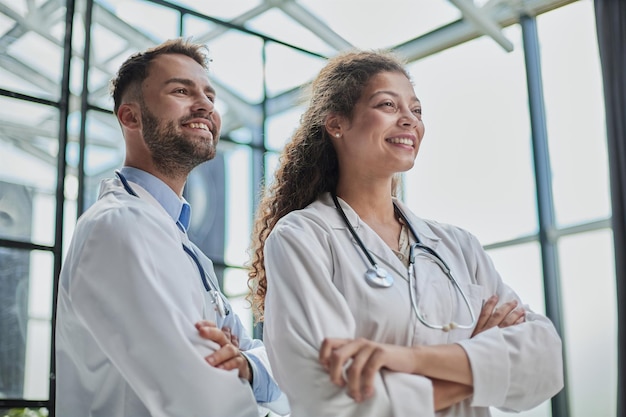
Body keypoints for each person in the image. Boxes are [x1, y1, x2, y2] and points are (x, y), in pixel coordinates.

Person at [247, 49, 564, 417]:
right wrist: (482, 365)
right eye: (387, 105)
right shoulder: (302, 237)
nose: (409, 120)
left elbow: (545, 360)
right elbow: (329, 400)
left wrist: (401, 358)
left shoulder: (457, 246)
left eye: (416, 110)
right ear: (336, 124)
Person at [55, 38, 288, 417]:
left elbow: (265, 364)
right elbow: (205, 397)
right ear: (131, 117)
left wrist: (248, 365)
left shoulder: (176, 239)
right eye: (181, 90)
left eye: (209, 96)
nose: (205, 105)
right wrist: (247, 371)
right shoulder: (118, 226)